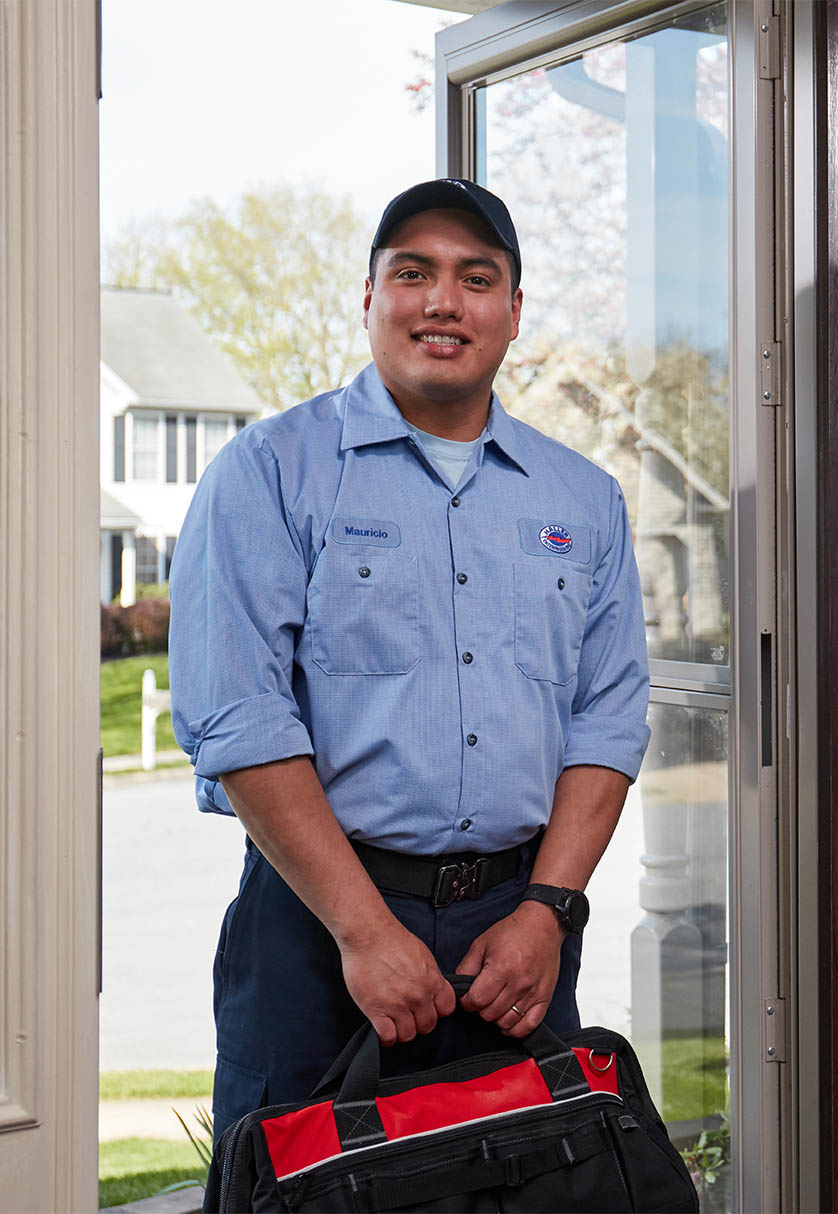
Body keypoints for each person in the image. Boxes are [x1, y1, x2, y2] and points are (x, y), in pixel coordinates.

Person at [168, 178, 650, 1143]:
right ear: (370, 296)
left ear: (513, 312)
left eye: (477, 277)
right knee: (297, 1190)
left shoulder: (584, 498)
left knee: (528, 1190)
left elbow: (608, 717)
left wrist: (548, 911)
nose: (442, 300)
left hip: (519, 939)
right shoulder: (269, 473)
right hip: (320, 929)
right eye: (413, 272)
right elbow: (239, 716)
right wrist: (363, 931)